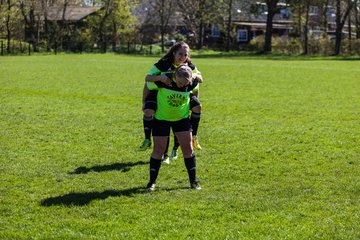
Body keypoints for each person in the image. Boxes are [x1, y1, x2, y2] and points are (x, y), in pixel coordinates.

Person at [140, 42, 203, 162]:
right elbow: (147, 79)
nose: (182, 57)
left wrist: (194, 76)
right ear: (174, 52)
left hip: (182, 94)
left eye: (185, 54)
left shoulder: (188, 65)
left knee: (196, 109)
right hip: (161, 93)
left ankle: (193, 137)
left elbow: (200, 80)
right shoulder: (164, 64)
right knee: (156, 115)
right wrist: (160, 78)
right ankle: (149, 140)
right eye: (180, 54)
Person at [146, 65, 201, 191]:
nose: (182, 86)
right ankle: (151, 182)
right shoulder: (163, 81)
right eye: (180, 83)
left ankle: (193, 181)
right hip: (161, 120)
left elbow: (196, 91)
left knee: (188, 149)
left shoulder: (191, 83)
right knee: (158, 150)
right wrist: (145, 102)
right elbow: (147, 81)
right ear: (175, 75)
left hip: (181, 120)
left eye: (185, 83)